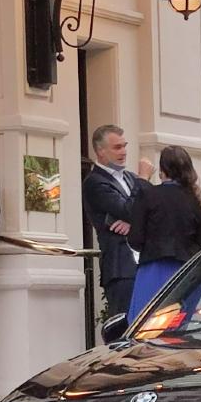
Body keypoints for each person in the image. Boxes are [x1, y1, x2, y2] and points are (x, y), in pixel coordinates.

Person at [126, 146, 201, 322]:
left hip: (154, 271)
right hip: (187, 273)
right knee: (187, 328)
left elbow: (135, 240)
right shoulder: (194, 199)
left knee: (148, 328)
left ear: (162, 171)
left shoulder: (148, 194)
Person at [82, 125, 153, 320]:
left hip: (145, 264)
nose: (123, 152)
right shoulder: (95, 182)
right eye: (117, 147)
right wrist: (144, 178)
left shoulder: (130, 178)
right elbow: (128, 210)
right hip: (121, 268)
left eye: (124, 146)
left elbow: (154, 212)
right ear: (100, 152)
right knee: (125, 327)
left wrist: (132, 224)